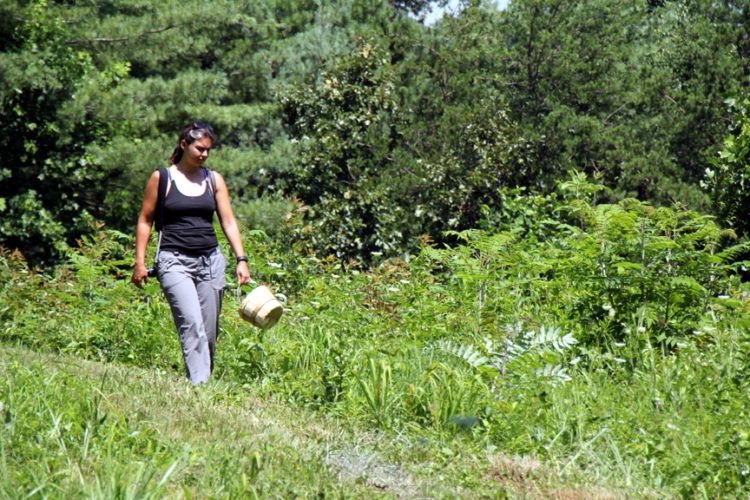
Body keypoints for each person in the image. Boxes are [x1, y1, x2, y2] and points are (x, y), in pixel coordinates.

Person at [131, 121, 251, 385]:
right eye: (200, 148)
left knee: (208, 331)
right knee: (192, 325)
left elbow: (228, 222)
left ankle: (200, 379)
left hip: (210, 261)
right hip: (173, 262)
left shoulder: (213, 179)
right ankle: (202, 389)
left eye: (208, 150)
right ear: (184, 144)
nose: (204, 154)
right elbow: (145, 220)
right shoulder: (162, 178)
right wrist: (139, 262)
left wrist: (241, 259)